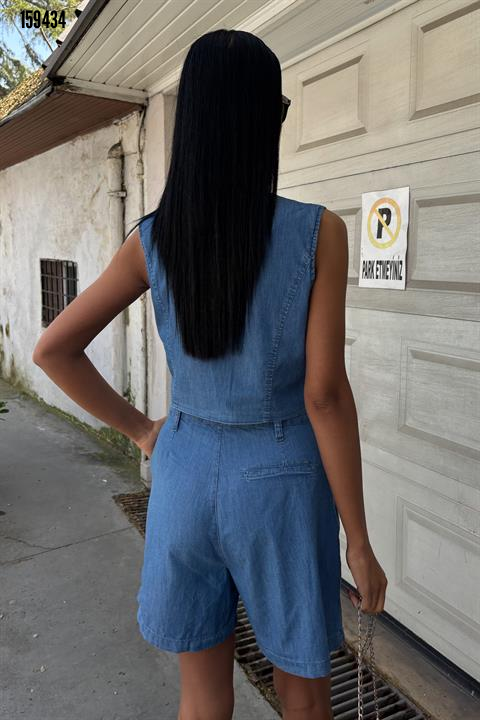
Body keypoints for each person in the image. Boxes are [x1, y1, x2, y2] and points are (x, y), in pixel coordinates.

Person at [32, 28, 387, 720]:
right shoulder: (319, 233)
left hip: (184, 475)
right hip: (282, 485)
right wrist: (361, 543)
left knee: (200, 697)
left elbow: (54, 349)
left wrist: (143, 431)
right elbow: (323, 395)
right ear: (265, 121)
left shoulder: (154, 239)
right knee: (304, 694)